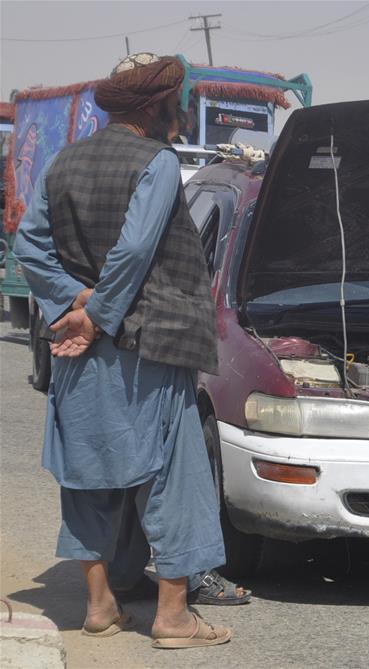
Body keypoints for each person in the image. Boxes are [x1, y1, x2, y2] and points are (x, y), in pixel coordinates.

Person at [14, 53, 232, 648]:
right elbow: (136, 251)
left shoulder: (63, 161)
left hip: (77, 350)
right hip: (145, 341)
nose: (181, 111)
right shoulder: (157, 160)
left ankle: (100, 605)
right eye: (177, 101)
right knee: (172, 472)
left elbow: (29, 248)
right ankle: (172, 618)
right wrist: (100, 314)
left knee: (87, 472)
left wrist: (74, 302)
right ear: (156, 106)